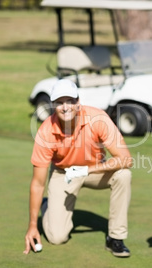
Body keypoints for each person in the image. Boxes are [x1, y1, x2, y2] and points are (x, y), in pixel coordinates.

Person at [23, 79, 133, 258]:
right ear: (53, 105)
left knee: (123, 175)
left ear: (78, 102)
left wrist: (86, 170)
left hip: (95, 170)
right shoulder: (45, 131)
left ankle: (115, 238)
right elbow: (37, 183)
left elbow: (126, 159)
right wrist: (33, 225)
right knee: (57, 237)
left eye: (70, 101)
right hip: (63, 173)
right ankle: (47, 206)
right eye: (59, 102)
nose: (65, 107)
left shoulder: (98, 119)